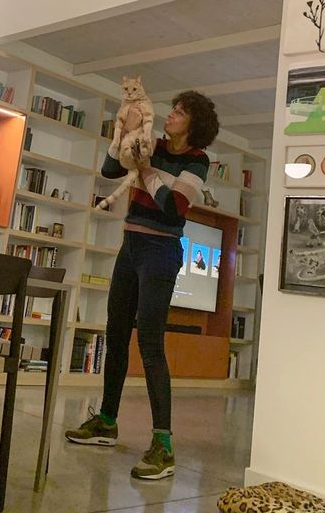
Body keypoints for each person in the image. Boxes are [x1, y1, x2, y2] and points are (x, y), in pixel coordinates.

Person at [65, 90, 219, 480]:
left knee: (150, 345)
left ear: (195, 124)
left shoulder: (197, 160)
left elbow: (173, 206)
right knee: (116, 335)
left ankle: (163, 445)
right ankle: (106, 421)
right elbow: (110, 170)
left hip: (161, 251)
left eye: (180, 112)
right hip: (130, 247)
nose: (171, 115)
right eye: (174, 109)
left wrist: (146, 168)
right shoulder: (153, 143)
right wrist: (123, 134)